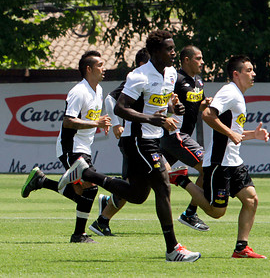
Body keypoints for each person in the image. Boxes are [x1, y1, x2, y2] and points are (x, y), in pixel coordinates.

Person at [57, 30, 201, 262]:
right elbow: (121, 108)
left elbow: (160, 103)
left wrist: (174, 108)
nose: (173, 52)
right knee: (163, 186)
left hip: (151, 138)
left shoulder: (172, 73)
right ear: (155, 52)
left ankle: (87, 173)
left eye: (174, 48)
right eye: (168, 48)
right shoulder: (139, 76)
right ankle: (173, 249)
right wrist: (151, 119)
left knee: (137, 195)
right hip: (138, 140)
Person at [91, 46, 213, 235]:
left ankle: (103, 217)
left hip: (158, 136)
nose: (202, 62)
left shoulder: (193, 80)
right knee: (204, 167)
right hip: (168, 136)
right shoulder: (156, 77)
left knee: (138, 188)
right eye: (198, 58)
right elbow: (116, 101)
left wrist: (183, 107)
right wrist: (118, 124)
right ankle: (187, 216)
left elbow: (173, 103)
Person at [170, 55, 268, 259]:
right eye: (249, 70)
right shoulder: (229, 92)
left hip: (234, 161)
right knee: (216, 212)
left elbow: (233, 131)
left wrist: (253, 134)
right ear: (236, 74)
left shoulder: (238, 95)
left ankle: (241, 248)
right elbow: (207, 114)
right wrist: (232, 133)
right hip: (219, 163)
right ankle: (180, 178)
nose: (253, 74)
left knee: (251, 199)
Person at [20, 51, 111, 243]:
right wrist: (97, 124)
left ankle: (42, 181)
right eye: (100, 65)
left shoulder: (99, 90)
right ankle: (79, 235)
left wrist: (99, 124)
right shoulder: (79, 91)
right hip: (71, 147)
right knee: (90, 188)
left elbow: (90, 119)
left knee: (82, 194)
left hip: (85, 147)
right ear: (89, 69)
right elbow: (68, 122)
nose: (105, 68)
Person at [88, 48, 150, 237]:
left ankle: (105, 212)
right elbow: (110, 98)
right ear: (142, 64)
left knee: (134, 188)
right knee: (135, 188)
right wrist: (116, 124)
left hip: (149, 139)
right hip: (134, 140)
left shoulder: (156, 79)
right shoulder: (137, 78)